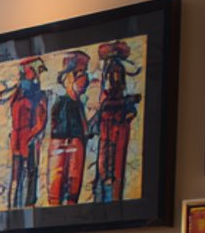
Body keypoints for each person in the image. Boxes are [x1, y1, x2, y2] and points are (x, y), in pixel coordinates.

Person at [93, 40, 140, 202]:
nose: (114, 78)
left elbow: (130, 113)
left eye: (117, 74)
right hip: (105, 142)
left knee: (116, 173)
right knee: (102, 173)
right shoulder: (105, 98)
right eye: (111, 74)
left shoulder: (125, 101)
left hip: (118, 135)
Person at [0, 57, 48, 208]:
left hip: (30, 139)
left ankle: (29, 204)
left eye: (30, 71)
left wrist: (32, 136)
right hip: (17, 140)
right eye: (26, 71)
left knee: (31, 172)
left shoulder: (39, 95)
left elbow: (41, 121)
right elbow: (4, 100)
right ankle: (13, 205)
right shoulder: (18, 94)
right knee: (16, 176)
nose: (27, 74)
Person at [47, 51, 92, 205]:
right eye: (78, 74)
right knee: (56, 180)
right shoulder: (60, 102)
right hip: (60, 141)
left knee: (74, 180)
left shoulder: (78, 105)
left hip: (75, 140)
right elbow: (54, 123)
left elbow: (84, 127)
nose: (83, 83)